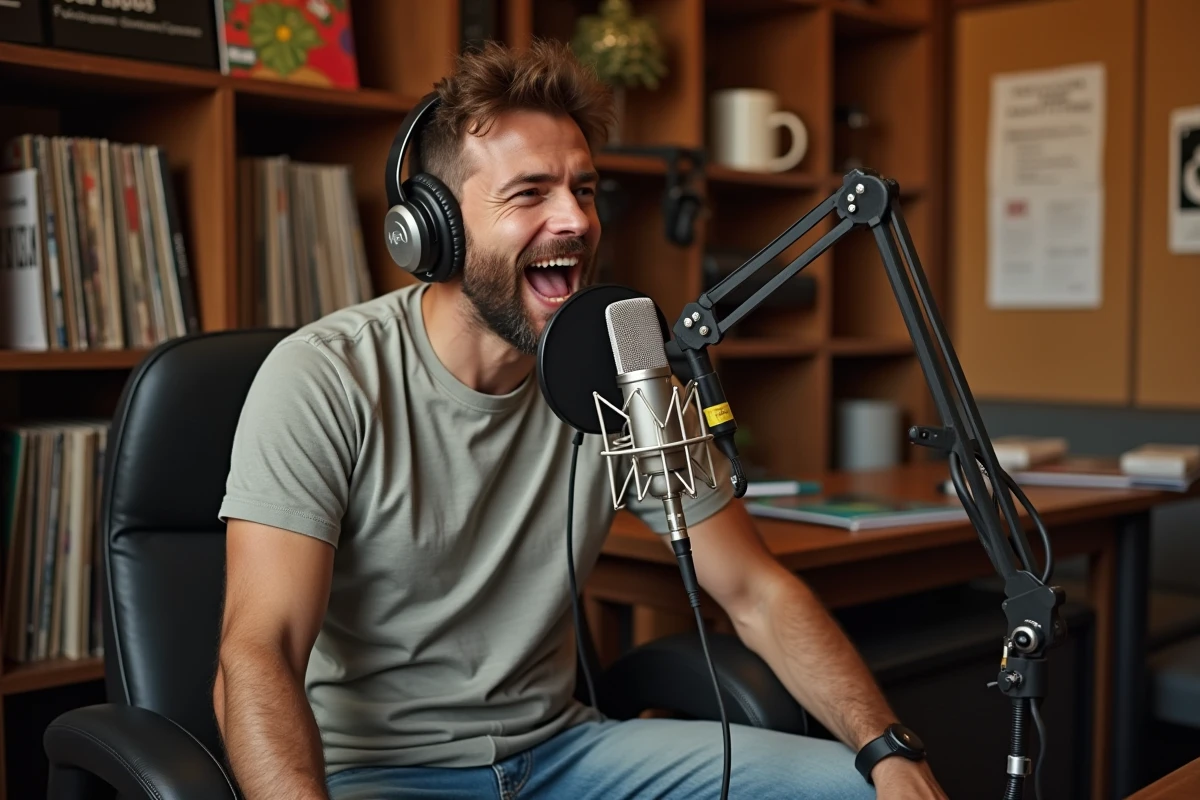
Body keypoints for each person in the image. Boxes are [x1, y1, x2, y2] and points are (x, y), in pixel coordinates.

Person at [212, 38, 948, 800]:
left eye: (585, 190)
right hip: (380, 773)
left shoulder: (625, 365)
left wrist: (886, 749)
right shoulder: (326, 377)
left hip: (566, 754)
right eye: (530, 193)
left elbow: (753, 589)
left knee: (857, 792)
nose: (575, 219)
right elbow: (259, 650)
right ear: (435, 230)